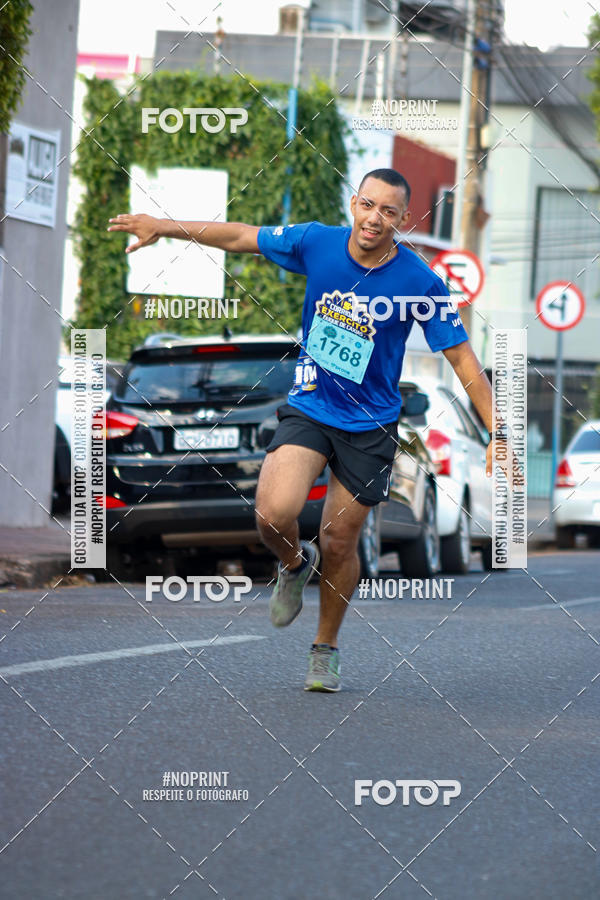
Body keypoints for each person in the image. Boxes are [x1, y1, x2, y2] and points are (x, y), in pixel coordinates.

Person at [108, 168, 506, 693]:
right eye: (368, 205)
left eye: (389, 212)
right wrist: (164, 224)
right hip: (311, 407)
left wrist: (499, 431)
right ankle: (294, 564)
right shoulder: (316, 243)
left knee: (341, 539)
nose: (375, 218)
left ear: (403, 220)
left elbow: (463, 359)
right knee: (274, 513)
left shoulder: (419, 281)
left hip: (371, 425)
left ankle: (325, 648)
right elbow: (241, 235)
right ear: (354, 203)